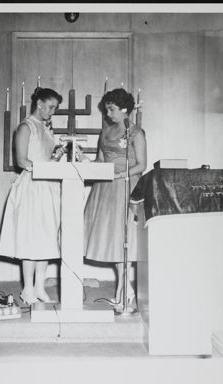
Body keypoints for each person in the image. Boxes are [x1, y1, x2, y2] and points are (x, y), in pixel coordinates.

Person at [0, 87, 65, 305]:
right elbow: (21, 161)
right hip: (32, 186)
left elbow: (47, 158)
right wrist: (43, 169)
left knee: (47, 236)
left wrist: (57, 156)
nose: (52, 112)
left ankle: (39, 287)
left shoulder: (46, 129)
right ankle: (27, 288)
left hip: (48, 187)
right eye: (51, 107)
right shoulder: (26, 127)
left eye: (55, 108)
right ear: (39, 103)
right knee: (30, 236)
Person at [83, 88, 147, 308]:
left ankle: (124, 289)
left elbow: (142, 165)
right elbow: (100, 161)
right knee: (114, 239)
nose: (108, 113)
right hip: (105, 188)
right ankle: (124, 288)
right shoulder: (105, 131)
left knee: (124, 237)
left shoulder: (137, 133)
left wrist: (118, 175)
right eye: (107, 108)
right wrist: (83, 161)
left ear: (125, 110)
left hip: (126, 186)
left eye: (112, 109)